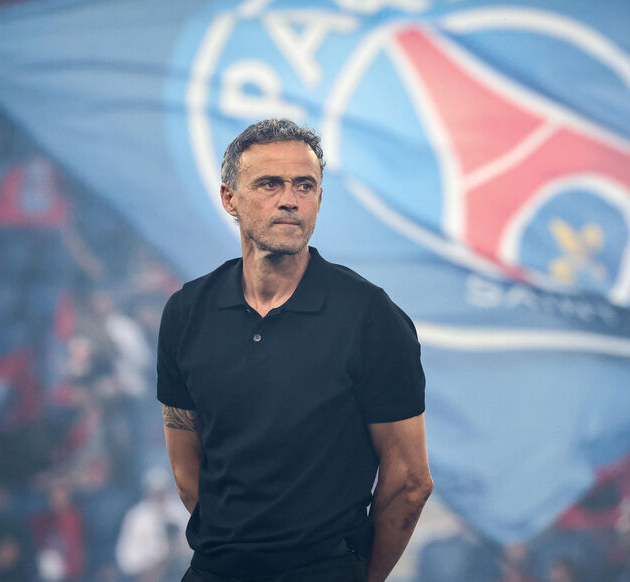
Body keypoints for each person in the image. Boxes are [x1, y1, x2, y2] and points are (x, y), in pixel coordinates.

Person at [157, 119, 433, 582]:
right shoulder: (186, 311)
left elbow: (410, 482)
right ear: (229, 198)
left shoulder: (370, 317)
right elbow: (187, 472)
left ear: (319, 199)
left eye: (304, 186)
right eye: (270, 184)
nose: (290, 199)